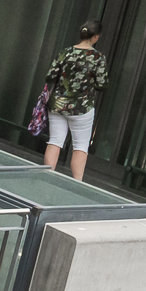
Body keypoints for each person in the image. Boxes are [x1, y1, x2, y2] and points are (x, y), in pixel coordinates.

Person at [40, 18, 108, 179]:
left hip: (58, 104)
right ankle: (76, 184)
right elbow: (102, 84)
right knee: (80, 146)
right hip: (81, 108)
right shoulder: (98, 58)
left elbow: (50, 76)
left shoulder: (65, 52)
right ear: (96, 37)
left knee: (55, 141)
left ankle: (45, 176)